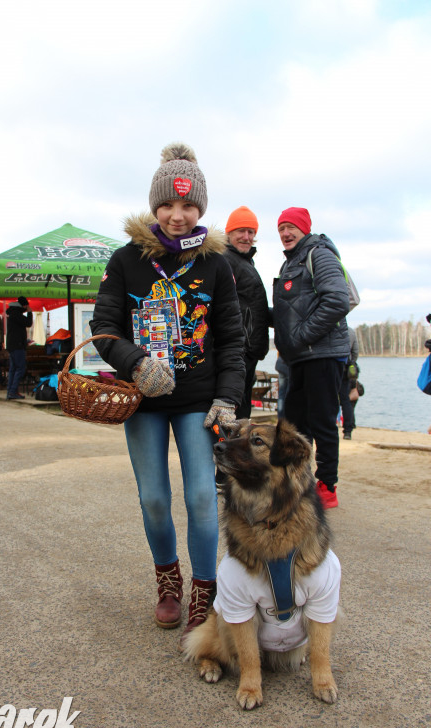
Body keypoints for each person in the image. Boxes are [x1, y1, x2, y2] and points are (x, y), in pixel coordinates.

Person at [90, 142, 245, 642]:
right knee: (154, 498)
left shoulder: (217, 265)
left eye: (188, 205)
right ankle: (168, 581)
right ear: (154, 205)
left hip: (200, 401)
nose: (177, 216)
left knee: (202, 496)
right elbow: (104, 326)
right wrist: (136, 364)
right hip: (145, 400)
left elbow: (233, 339)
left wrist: (228, 398)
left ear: (201, 207)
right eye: (168, 205)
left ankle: (206, 589)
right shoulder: (126, 260)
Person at [272, 207, 350, 509]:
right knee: (293, 423)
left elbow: (337, 300)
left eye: (291, 227)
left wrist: (301, 336)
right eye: (281, 229)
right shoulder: (291, 262)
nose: (286, 233)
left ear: (304, 229)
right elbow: (290, 313)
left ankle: (327, 485)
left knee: (322, 421)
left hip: (323, 353)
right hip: (301, 358)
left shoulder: (319, 254)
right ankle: (296, 481)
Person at [223, 206, 269, 418]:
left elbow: (253, 307)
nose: (246, 236)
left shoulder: (245, 262)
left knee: (242, 415)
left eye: (251, 232)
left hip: (248, 352)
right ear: (229, 233)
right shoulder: (226, 260)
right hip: (237, 351)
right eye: (240, 231)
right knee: (234, 414)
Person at [6, 296, 33, 400]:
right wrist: (30, 313)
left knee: (13, 369)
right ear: (24, 305)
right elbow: (28, 323)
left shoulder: (13, 313)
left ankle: (10, 391)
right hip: (17, 345)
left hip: (12, 346)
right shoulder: (16, 313)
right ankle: (13, 391)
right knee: (20, 368)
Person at [338, 326, 359, 439]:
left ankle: (329, 426)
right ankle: (348, 430)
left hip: (332, 366)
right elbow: (355, 352)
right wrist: (352, 362)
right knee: (345, 400)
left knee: (329, 398)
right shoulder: (351, 331)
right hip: (346, 368)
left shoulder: (330, 327)